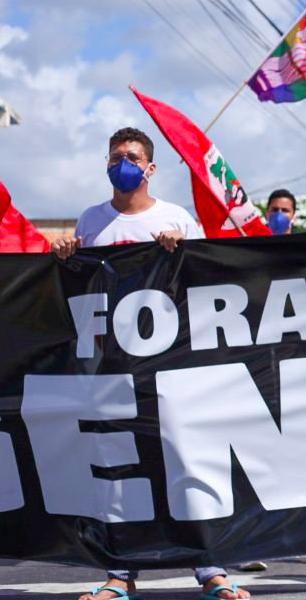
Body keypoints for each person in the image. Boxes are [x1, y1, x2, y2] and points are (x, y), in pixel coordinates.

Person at [52, 128, 247, 600]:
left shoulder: (175, 217)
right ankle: (119, 575)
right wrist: (65, 254)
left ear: (151, 167)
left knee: (186, 460)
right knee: (118, 470)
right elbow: (80, 287)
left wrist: (179, 251)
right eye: (115, 156)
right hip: (112, 368)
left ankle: (211, 569)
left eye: (132, 156)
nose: (123, 163)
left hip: (170, 362)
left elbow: (204, 283)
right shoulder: (91, 220)